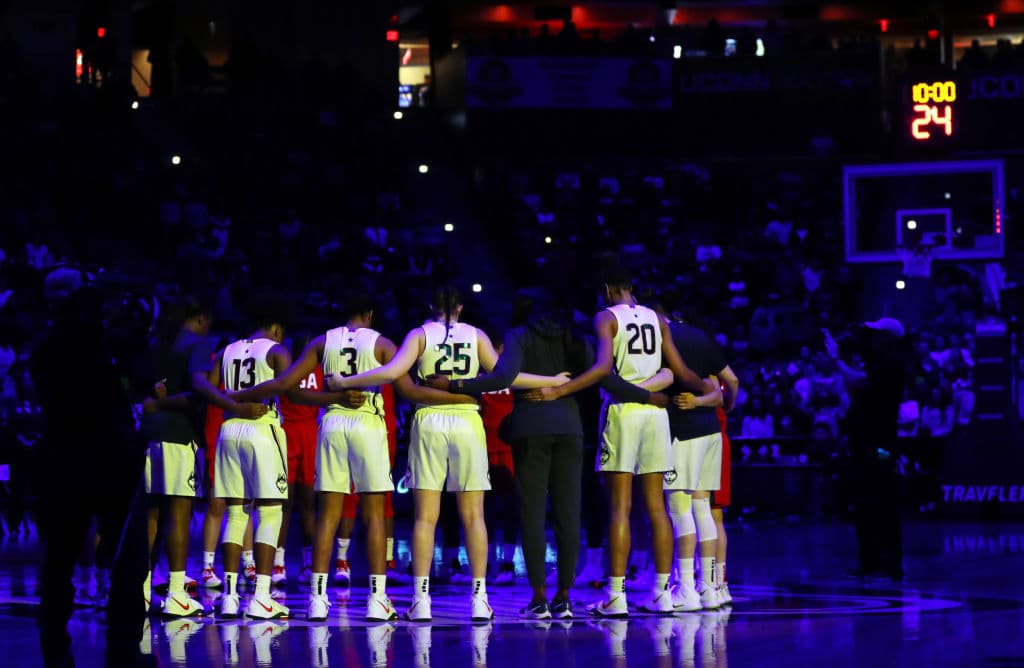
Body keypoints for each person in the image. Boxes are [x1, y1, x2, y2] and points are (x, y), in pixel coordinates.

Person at [329, 285, 566, 622]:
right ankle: (480, 600)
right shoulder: (476, 334)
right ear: (461, 307)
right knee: (474, 516)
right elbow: (506, 375)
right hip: (468, 421)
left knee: (426, 517)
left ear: (429, 305)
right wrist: (551, 379)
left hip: (428, 419)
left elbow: (392, 373)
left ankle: (421, 600)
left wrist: (346, 382)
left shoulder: (419, 335)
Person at [431, 288, 670, 619]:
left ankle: (539, 599)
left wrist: (455, 385)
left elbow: (502, 377)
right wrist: (645, 396)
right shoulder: (575, 335)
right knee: (568, 514)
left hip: (530, 428)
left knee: (531, 514)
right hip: (570, 429)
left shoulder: (519, 335)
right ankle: (564, 598)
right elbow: (605, 378)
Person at [230, 292, 465, 621]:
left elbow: (286, 386)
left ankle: (316, 599)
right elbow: (409, 391)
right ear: (370, 313)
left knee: (327, 514)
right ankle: (377, 599)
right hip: (368, 425)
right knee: (373, 514)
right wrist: (459, 399)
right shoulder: (382, 343)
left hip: (332, 424)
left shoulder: (322, 342)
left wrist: (328, 397)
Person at [521, 267, 714, 617]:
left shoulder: (607, 317)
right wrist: (710, 389)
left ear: (608, 289)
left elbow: (600, 370)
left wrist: (559, 390)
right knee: (657, 508)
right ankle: (660, 592)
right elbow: (681, 371)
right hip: (656, 417)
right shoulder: (657, 319)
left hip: (624, 414)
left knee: (619, 508)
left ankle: (615, 594)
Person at [29, 269, 148, 667]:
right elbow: (139, 381)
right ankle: (122, 653)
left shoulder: (42, 346)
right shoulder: (104, 342)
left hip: (60, 459)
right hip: (109, 457)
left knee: (58, 562)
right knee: (126, 561)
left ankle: (56, 654)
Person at [198, 296, 295, 619]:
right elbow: (287, 386)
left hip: (229, 431)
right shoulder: (277, 350)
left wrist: (231, 402)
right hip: (261, 428)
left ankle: (228, 597)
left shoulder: (229, 349)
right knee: (270, 512)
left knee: (236, 514)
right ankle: (262, 597)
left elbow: (208, 389)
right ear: (277, 327)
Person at [139, 297, 216, 617]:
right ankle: (175, 594)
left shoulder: (155, 341)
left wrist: (155, 403)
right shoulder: (197, 344)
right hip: (178, 435)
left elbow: (145, 391)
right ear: (200, 318)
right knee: (179, 515)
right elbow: (197, 393)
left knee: (151, 513)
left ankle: (141, 590)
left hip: (147, 434)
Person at [658, 305, 736, 611]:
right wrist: (711, 400)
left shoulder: (665, 340)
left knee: (679, 510)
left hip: (684, 433)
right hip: (712, 432)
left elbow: (668, 377)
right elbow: (729, 384)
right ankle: (709, 588)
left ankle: (687, 588)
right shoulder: (702, 337)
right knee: (704, 509)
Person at [825, 318, 910, 580]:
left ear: (888, 337)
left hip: (880, 442)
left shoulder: (891, 363)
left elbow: (857, 382)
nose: (871, 339)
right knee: (865, 501)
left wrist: (836, 360)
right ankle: (872, 560)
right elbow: (859, 392)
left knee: (882, 500)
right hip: (867, 441)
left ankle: (889, 562)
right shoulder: (878, 362)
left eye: (876, 334)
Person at [272, 337, 322, 588]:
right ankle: (279, 562)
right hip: (288, 431)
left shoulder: (320, 369)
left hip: (309, 434)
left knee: (306, 505)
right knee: (285, 504)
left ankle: (307, 562)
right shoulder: (283, 368)